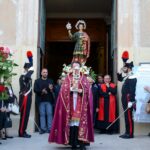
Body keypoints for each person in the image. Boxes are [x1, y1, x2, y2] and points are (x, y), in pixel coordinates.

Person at [49, 62, 94, 150]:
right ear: (71, 68)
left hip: (81, 104)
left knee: (80, 123)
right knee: (72, 123)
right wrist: (69, 89)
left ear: (80, 68)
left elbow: (88, 90)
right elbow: (63, 90)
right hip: (69, 104)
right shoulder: (68, 78)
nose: (75, 69)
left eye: (77, 67)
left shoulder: (83, 78)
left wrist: (82, 91)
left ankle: (81, 143)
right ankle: (73, 143)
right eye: (74, 67)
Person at [117, 61, 137, 139]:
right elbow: (120, 79)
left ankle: (130, 133)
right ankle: (127, 132)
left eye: (124, 68)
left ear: (128, 68)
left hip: (129, 98)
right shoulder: (127, 76)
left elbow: (132, 90)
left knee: (128, 116)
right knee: (126, 115)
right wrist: (120, 72)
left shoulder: (132, 76)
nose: (123, 69)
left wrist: (131, 101)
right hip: (124, 98)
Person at [34, 68, 55, 134]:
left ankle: (49, 128)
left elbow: (53, 90)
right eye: (44, 72)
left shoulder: (50, 81)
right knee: (42, 115)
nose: (45, 73)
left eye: (46, 72)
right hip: (40, 100)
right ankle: (43, 129)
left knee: (49, 114)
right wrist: (42, 91)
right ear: (41, 73)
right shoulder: (37, 81)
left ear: (47, 73)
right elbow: (35, 90)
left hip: (49, 100)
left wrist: (51, 89)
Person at [18, 63, 34, 138]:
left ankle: (23, 130)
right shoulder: (23, 76)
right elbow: (28, 75)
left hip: (28, 98)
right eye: (28, 68)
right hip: (25, 98)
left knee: (26, 115)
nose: (29, 69)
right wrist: (31, 69)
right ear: (25, 68)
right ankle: (21, 132)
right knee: (24, 116)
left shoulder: (28, 77)